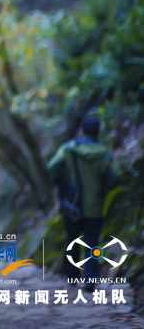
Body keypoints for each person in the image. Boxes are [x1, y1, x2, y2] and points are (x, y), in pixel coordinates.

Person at [47, 115, 121, 288]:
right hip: (94, 206)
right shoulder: (105, 154)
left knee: (72, 240)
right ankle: (90, 278)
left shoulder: (67, 150)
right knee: (92, 242)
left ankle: (72, 276)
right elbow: (115, 178)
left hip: (72, 205)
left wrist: (64, 184)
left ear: (81, 131)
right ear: (98, 133)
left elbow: (53, 169)